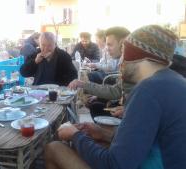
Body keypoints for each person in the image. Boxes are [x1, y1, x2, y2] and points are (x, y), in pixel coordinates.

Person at [46, 25, 186, 169]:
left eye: (125, 53)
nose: (121, 62)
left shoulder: (148, 91)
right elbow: (141, 142)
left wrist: (75, 135)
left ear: (140, 57)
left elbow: (115, 165)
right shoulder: (174, 81)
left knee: (54, 148)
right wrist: (103, 134)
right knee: (94, 143)